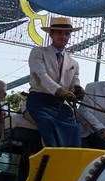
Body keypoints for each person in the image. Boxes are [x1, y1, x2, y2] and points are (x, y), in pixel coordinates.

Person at [26, 16, 84, 148]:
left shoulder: (74, 63)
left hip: (59, 106)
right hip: (39, 102)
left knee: (74, 128)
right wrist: (59, 91)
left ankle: (70, 162)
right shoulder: (38, 52)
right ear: (51, 34)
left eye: (67, 34)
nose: (63, 36)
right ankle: (52, 157)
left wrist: (78, 90)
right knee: (48, 123)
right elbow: (41, 76)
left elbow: (75, 83)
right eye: (59, 32)